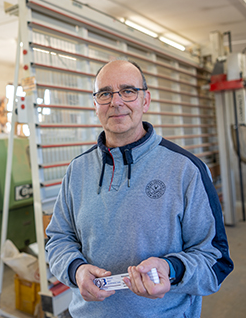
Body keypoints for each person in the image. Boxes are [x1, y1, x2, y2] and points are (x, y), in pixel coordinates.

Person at [45, 59, 233, 317]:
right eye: (105, 93)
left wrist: (171, 269)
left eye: (128, 91)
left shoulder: (186, 169)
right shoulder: (77, 170)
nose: (116, 101)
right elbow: (58, 239)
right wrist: (75, 269)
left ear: (146, 100)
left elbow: (216, 261)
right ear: (95, 105)